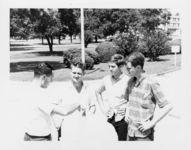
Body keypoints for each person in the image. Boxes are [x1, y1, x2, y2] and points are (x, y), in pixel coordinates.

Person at [57, 60, 117, 141]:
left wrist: (89, 114)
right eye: (74, 73)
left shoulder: (89, 88)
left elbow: (93, 106)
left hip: (84, 128)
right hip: (67, 128)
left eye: (79, 73)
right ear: (70, 73)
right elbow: (57, 109)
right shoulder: (63, 89)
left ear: (83, 74)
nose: (76, 75)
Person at [24, 62, 81, 141]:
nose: (51, 82)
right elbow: (64, 111)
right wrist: (78, 103)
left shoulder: (29, 88)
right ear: (44, 77)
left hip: (28, 135)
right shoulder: (39, 94)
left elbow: (42, 107)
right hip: (39, 139)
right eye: (51, 79)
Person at [125, 52, 173, 141]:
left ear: (138, 68)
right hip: (130, 133)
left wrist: (151, 123)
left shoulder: (151, 83)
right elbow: (128, 101)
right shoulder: (130, 82)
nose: (127, 71)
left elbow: (168, 106)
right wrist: (127, 111)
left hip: (144, 136)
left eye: (129, 69)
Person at [96, 54, 129, 141]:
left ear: (121, 66)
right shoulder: (106, 79)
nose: (110, 69)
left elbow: (133, 100)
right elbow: (98, 92)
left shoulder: (128, 81)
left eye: (113, 67)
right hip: (110, 118)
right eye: (109, 66)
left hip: (123, 119)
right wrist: (103, 109)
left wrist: (127, 109)